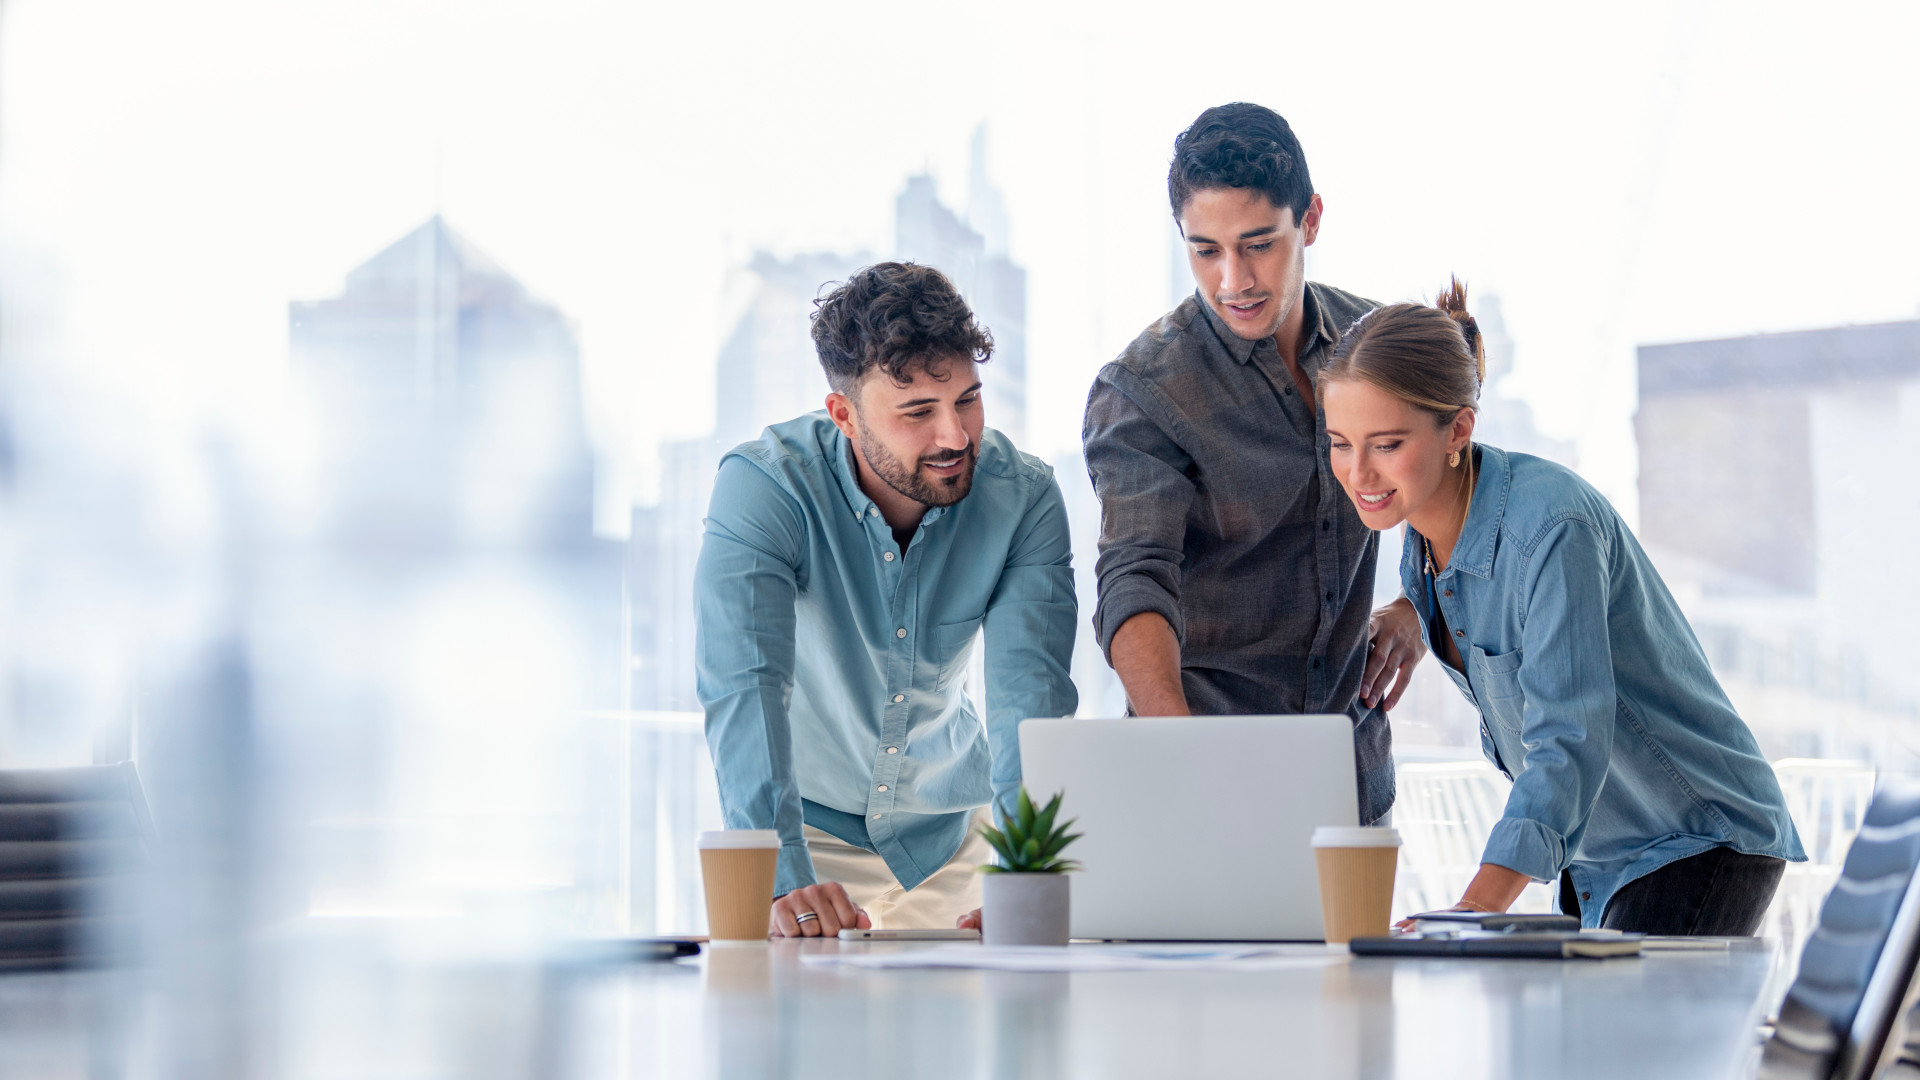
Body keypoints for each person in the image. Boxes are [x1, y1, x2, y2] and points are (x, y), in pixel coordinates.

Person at [1319, 279, 1804, 934]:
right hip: (1599, 856)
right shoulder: (1423, 539)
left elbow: (1567, 735)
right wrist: (1412, 607)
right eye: (1341, 442)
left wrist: (1475, 908)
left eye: (1386, 443)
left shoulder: (1553, 525)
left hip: (1695, 837)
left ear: (1458, 428)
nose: (1358, 473)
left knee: (1623, 1038)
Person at [696, 261, 1079, 937]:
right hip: (810, 840)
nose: (955, 436)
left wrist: (1027, 871)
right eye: (918, 413)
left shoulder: (1024, 500)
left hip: (954, 838)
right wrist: (783, 881)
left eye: (966, 399)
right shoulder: (765, 489)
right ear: (844, 414)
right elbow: (745, 690)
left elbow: (1030, 701)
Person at [1082, 103, 1424, 825]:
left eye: (1258, 243)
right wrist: (1186, 757)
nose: (1233, 278)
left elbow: (1455, 487)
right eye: (1205, 250)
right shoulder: (1145, 390)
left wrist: (1417, 604)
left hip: (1352, 779)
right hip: (1201, 776)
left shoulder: (1382, 347)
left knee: (1356, 946)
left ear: (1312, 220)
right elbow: (1135, 577)